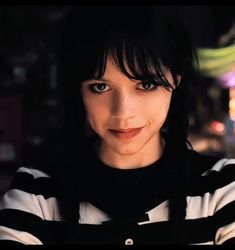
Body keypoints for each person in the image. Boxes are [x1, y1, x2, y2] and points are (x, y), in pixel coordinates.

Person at [0, 6, 235, 245]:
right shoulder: (35, 196)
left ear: (176, 78)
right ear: (79, 90)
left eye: (145, 84)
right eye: (100, 87)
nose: (123, 113)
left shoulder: (222, 190)